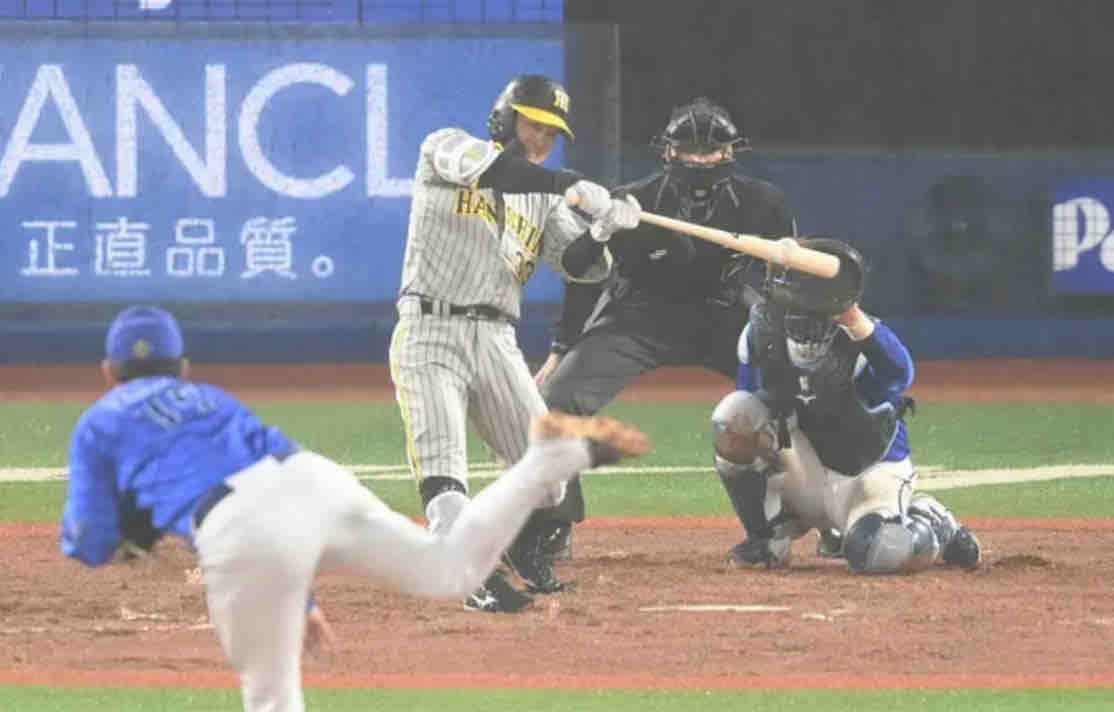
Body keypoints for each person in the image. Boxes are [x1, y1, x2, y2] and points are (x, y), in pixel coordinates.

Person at [61, 305, 650, 712]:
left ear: (108, 372)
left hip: (240, 530)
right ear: (184, 369)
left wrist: (114, 539)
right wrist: (296, 597)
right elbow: (277, 498)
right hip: (312, 480)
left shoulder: (99, 421)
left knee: (271, 699)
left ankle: (549, 458)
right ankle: (548, 459)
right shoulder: (211, 399)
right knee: (448, 569)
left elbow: (91, 538)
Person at [389, 74, 641, 611]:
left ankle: (516, 550)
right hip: (430, 328)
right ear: (505, 118)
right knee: (443, 465)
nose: (542, 139)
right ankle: (467, 577)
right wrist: (572, 183)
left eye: (552, 132)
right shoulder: (447, 148)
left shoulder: (543, 200)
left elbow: (582, 268)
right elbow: (501, 171)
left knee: (551, 474)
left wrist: (603, 231)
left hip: (497, 338)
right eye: (534, 124)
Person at [526, 97, 796, 564]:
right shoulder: (634, 202)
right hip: (638, 316)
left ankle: (798, 520)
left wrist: (791, 340)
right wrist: (561, 346)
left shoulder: (763, 204)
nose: (700, 160)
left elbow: (787, 283)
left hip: (722, 313)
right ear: (668, 152)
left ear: (731, 152)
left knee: (800, 387)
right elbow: (583, 276)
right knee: (557, 398)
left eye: (711, 151)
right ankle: (554, 524)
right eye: (690, 150)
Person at [708, 239, 982, 573]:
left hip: (867, 473)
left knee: (880, 554)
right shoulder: (762, 333)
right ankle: (766, 540)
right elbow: (750, 407)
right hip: (806, 472)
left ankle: (930, 520)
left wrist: (854, 320)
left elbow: (900, 374)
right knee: (735, 416)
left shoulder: (858, 337)